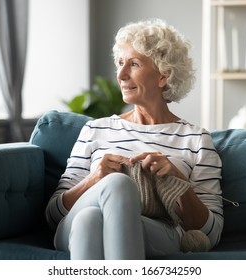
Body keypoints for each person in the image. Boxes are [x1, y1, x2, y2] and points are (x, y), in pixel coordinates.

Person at [45, 18, 223, 260]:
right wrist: (96, 178)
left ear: (163, 76)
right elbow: (55, 214)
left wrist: (178, 181)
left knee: (91, 221)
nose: (121, 74)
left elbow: (210, 233)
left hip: (159, 231)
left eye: (134, 64)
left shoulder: (196, 140)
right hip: (73, 225)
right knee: (101, 200)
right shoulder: (95, 129)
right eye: (120, 63)